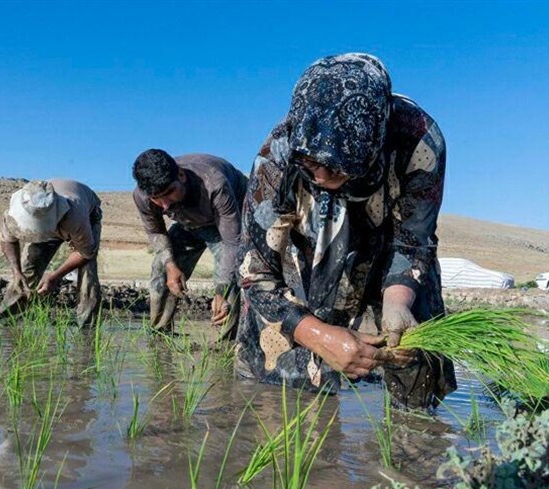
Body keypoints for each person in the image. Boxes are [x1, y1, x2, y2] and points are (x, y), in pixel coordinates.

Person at [235, 53, 456, 409]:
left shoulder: (419, 142)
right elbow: (255, 272)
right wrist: (318, 335)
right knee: (283, 396)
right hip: (307, 255)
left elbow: (414, 240)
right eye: (311, 164)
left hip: (387, 251)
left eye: (336, 168)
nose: (321, 177)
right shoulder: (276, 157)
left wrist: (398, 302)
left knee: (415, 359)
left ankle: (412, 447)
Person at [132, 149, 247, 341]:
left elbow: (232, 242)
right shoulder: (143, 195)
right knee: (161, 269)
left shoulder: (214, 184)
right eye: (156, 199)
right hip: (189, 222)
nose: (165, 205)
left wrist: (221, 291)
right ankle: (160, 335)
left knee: (230, 278)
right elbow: (156, 232)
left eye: (169, 193)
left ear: (182, 175)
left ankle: (227, 344)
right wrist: (170, 265)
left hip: (229, 220)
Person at [0, 179, 102, 327]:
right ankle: (5, 320)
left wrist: (55, 276)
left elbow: (85, 253)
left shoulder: (75, 216)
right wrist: (16, 272)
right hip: (53, 219)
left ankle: (87, 325)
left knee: (87, 272)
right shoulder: (15, 210)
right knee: (26, 272)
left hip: (87, 215)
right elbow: (8, 241)